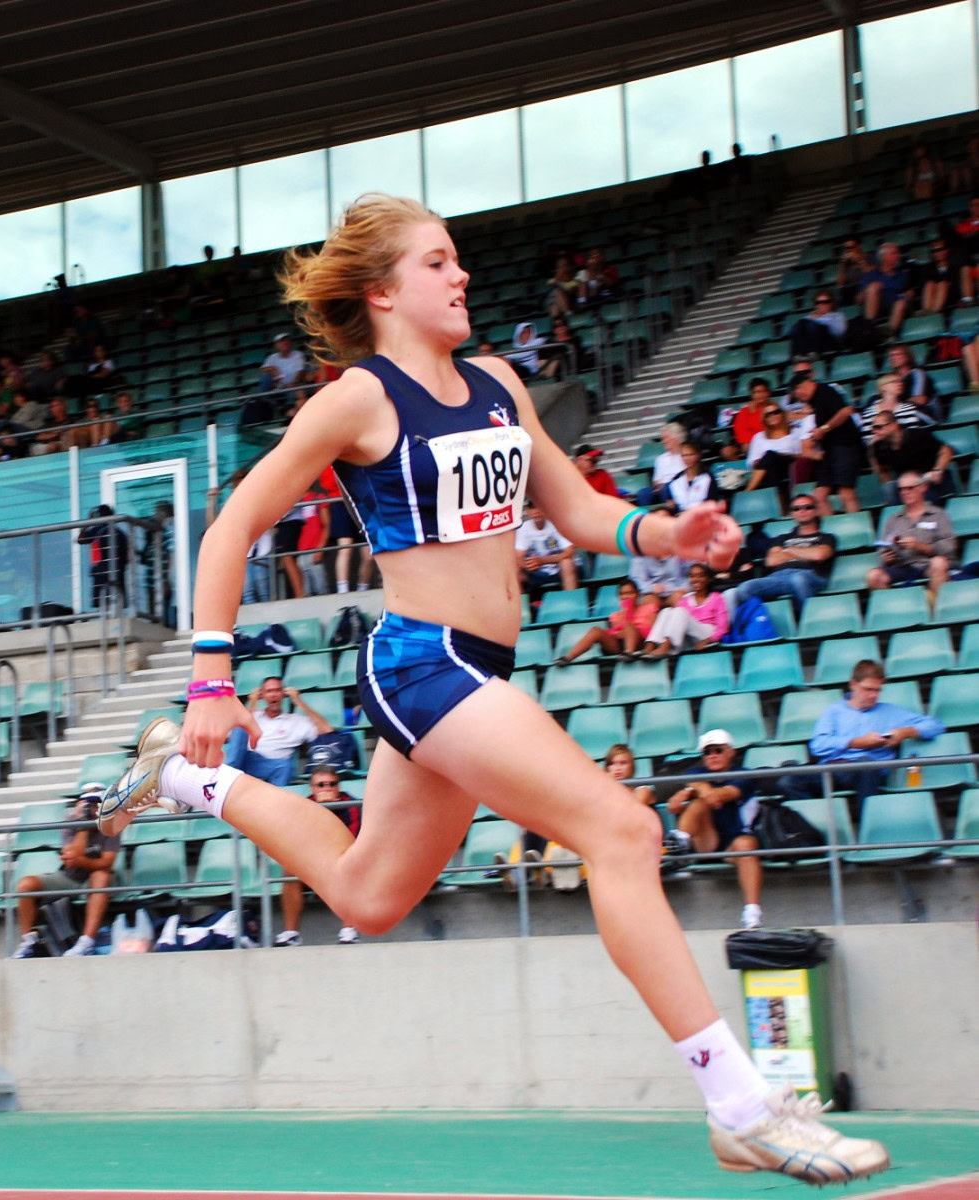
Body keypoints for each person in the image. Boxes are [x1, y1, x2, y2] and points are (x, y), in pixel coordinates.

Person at [92, 194, 885, 1183]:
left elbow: (578, 508)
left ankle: (182, 781)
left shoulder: (500, 382)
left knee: (366, 893)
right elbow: (230, 527)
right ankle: (739, 1104)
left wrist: (662, 534)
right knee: (624, 832)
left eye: (458, 259)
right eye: (436, 263)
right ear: (382, 291)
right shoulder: (358, 400)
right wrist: (212, 678)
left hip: (482, 666)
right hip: (423, 659)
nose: (460, 276)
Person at [783, 659, 944, 818]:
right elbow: (818, 746)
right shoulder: (834, 711)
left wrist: (905, 732)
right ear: (853, 684)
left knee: (866, 765)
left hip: (868, 769)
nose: (873, 695)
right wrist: (858, 742)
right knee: (788, 781)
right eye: (868, 689)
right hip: (834, 769)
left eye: (877, 690)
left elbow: (935, 725)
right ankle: (813, 830)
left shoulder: (890, 712)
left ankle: (868, 834)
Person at [665, 731, 764, 930]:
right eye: (707, 752)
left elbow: (723, 795)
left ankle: (752, 911)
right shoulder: (696, 774)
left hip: (733, 844)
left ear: (731, 752)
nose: (712, 755)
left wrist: (696, 788)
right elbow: (673, 806)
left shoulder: (743, 774)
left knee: (747, 844)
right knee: (700, 802)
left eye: (718, 750)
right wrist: (695, 790)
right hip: (706, 841)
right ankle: (681, 840)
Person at [10, 784, 119, 959]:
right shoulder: (70, 823)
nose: (90, 808)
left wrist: (81, 861)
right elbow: (71, 858)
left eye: (95, 803)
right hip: (70, 876)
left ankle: (86, 942)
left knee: (101, 876)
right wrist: (83, 826)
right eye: (86, 802)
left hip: (98, 876)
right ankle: (29, 942)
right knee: (26, 885)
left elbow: (106, 863)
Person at [275, 767, 362, 946]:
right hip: (313, 863)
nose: (327, 788)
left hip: (342, 860)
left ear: (339, 787)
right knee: (290, 872)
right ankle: (291, 933)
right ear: (312, 789)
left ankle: (349, 930)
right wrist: (321, 810)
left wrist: (331, 811)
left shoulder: (350, 805)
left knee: (352, 865)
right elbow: (297, 843)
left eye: (332, 784)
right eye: (321, 785)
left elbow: (352, 843)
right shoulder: (304, 807)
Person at [732, 496, 836, 614]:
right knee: (745, 588)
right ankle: (762, 624)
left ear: (816, 510)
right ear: (792, 513)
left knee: (798, 579)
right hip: (778, 578)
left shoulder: (826, 537)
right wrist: (807, 553)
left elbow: (819, 555)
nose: (802, 511)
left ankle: (809, 621)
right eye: (796, 508)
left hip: (810, 575)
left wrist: (788, 550)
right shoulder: (782, 538)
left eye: (808, 507)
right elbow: (771, 561)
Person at [223, 676, 333, 787]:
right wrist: (252, 703)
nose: (273, 695)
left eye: (277, 690)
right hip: (245, 759)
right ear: (262, 696)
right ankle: (226, 782)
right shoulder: (253, 716)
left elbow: (327, 729)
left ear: (284, 694)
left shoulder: (296, 721)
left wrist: (299, 702)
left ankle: (276, 802)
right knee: (240, 725)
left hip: (272, 765)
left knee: (285, 766)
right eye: (269, 691)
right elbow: (232, 738)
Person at [865, 473, 956, 603]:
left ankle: (936, 610)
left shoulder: (938, 515)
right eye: (901, 489)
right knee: (873, 576)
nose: (905, 492)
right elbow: (883, 548)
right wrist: (886, 558)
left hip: (928, 564)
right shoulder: (893, 520)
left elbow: (949, 547)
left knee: (939, 563)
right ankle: (896, 611)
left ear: (922, 488)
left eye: (910, 488)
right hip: (903, 566)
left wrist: (920, 546)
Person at [791, 370, 862, 516]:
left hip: (845, 445)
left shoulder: (825, 391)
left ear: (804, 385)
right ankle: (830, 527)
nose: (799, 396)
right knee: (819, 495)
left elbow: (845, 412)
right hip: (828, 451)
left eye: (798, 391)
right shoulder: (812, 403)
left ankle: (854, 523)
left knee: (846, 492)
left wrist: (824, 428)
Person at [555, 579, 659, 665]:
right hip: (619, 647)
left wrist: (630, 628)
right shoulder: (616, 615)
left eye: (629, 593)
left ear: (637, 594)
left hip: (641, 644)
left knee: (628, 625)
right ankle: (568, 658)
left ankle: (629, 653)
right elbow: (617, 634)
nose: (625, 597)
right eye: (622, 594)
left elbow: (652, 632)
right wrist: (628, 620)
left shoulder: (649, 608)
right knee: (595, 630)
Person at [639, 564, 729, 658]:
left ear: (708, 579)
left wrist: (709, 640)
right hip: (689, 638)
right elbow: (678, 624)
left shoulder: (717, 598)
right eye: (692, 576)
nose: (696, 579)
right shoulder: (685, 600)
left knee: (680, 611)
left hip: (707, 634)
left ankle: (665, 647)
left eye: (700, 576)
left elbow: (723, 627)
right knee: (666, 611)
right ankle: (650, 645)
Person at [867, 410, 954, 504]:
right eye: (873, 428)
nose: (875, 431)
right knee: (890, 488)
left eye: (878, 427)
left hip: (931, 481)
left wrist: (938, 471)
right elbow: (882, 471)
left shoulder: (917, 435)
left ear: (894, 425)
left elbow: (946, 451)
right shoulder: (879, 446)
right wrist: (871, 450)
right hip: (907, 486)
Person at [515, 499, 579, 597]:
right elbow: (518, 557)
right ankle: (522, 609)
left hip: (559, 570)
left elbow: (569, 552)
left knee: (567, 562)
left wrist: (542, 561)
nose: (536, 511)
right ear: (528, 512)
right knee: (515, 568)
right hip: (538, 572)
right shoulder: (524, 528)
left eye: (539, 507)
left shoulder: (557, 524)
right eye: (532, 508)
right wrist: (529, 565)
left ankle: (571, 602)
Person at [744, 403, 802, 499]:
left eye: (776, 412)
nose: (773, 416)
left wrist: (779, 455)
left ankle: (748, 491)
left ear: (782, 414)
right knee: (770, 465)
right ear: (764, 419)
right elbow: (753, 462)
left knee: (770, 455)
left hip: (790, 465)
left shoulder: (795, 432)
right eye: (768, 414)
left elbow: (801, 455)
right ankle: (781, 504)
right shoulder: (759, 437)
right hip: (769, 469)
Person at [660, 442, 718, 513]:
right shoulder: (676, 480)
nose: (687, 458)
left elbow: (712, 502)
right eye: (684, 455)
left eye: (691, 455)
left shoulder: (707, 477)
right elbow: (672, 505)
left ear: (698, 455)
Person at [605, 744, 656, 808]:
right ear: (607, 767)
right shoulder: (606, 793)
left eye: (623, 763)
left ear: (632, 766)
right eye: (612, 764)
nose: (617, 768)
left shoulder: (643, 790)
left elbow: (629, 810)